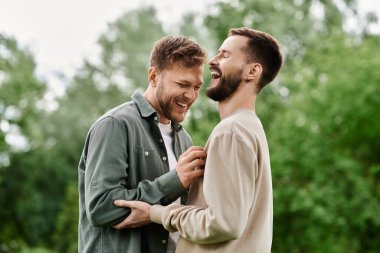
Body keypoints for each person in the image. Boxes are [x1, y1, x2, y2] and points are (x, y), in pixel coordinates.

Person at [113, 27, 284, 253]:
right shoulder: (249, 127)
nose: (213, 60)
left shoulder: (231, 131)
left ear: (252, 72)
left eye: (225, 55)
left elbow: (223, 223)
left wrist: (156, 213)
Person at [78, 35, 208, 253]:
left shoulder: (185, 140)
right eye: (182, 84)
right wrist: (174, 181)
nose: (191, 95)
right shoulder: (115, 125)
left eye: (197, 86)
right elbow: (101, 208)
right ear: (153, 76)